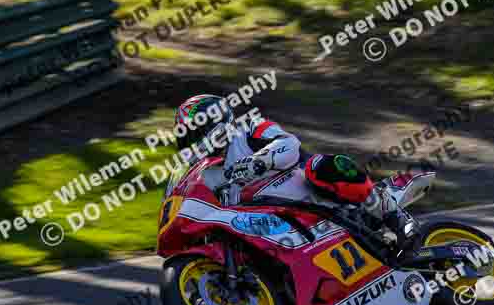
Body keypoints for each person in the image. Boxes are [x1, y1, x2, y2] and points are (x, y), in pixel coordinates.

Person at [173, 94, 407, 237]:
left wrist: (259, 161)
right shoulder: (207, 175)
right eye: (186, 138)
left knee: (322, 166)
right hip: (272, 224)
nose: (192, 142)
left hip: (307, 193)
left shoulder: (250, 130)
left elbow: (290, 144)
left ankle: (394, 216)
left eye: (194, 133)